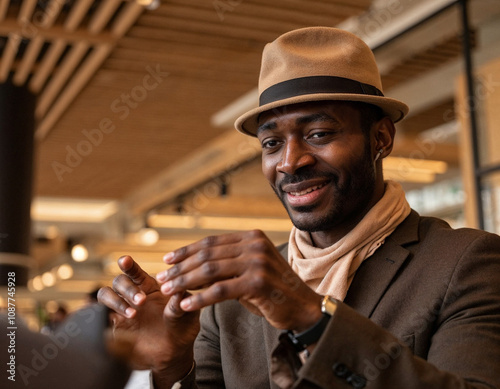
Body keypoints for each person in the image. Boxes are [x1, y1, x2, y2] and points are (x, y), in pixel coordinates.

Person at [98, 27, 500, 389]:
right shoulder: (229, 302)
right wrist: (171, 367)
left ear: (381, 138)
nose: (291, 161)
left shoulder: (467, 262)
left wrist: (310, 317)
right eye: (272, 144)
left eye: (319, 133)